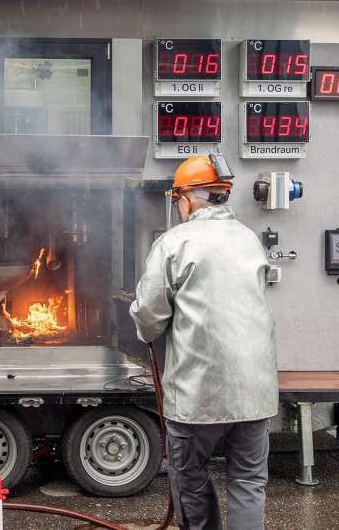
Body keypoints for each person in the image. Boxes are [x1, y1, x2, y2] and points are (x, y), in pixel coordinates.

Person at [130, 154, 278, 530]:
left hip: (200, 393)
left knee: (189, 476)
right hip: (255, 392)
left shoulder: (175, 242)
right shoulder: (249, 240)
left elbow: (150, 312)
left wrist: (144, 330)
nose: (178, 207)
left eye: (177, 199)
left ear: (188, 198)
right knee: (247, 481)